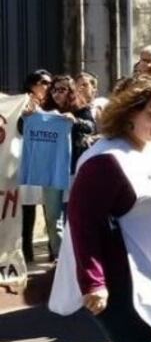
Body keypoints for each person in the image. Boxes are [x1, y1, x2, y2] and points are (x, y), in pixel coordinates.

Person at [55, 74, 151, 342]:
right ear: (128, 112)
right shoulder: (106, 161)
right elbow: (83, 223)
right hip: (129, 285)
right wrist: (93, 282)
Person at [19, 75, 97, 261]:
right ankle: (59, 256)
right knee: (53, 218)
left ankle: (77, 257)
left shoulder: (81, 110)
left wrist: (75, 122)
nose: (56, 93)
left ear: (71, 91)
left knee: (75, 217)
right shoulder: (44, 110)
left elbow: (91, 127)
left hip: (74, 170)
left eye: (62, 89)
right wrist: (26, 117)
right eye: (53, 89)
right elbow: (24, 128)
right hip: (51, 170)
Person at [20, 69, 52, 264]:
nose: (47, 87)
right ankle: (26, 250)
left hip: (47, 161)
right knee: (28, 207)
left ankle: (52, 249)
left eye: (49, 83)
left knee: (50, 207)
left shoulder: (48, 104)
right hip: (28, 161)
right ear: (33, 85)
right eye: (44, 83)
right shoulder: (23, 103)